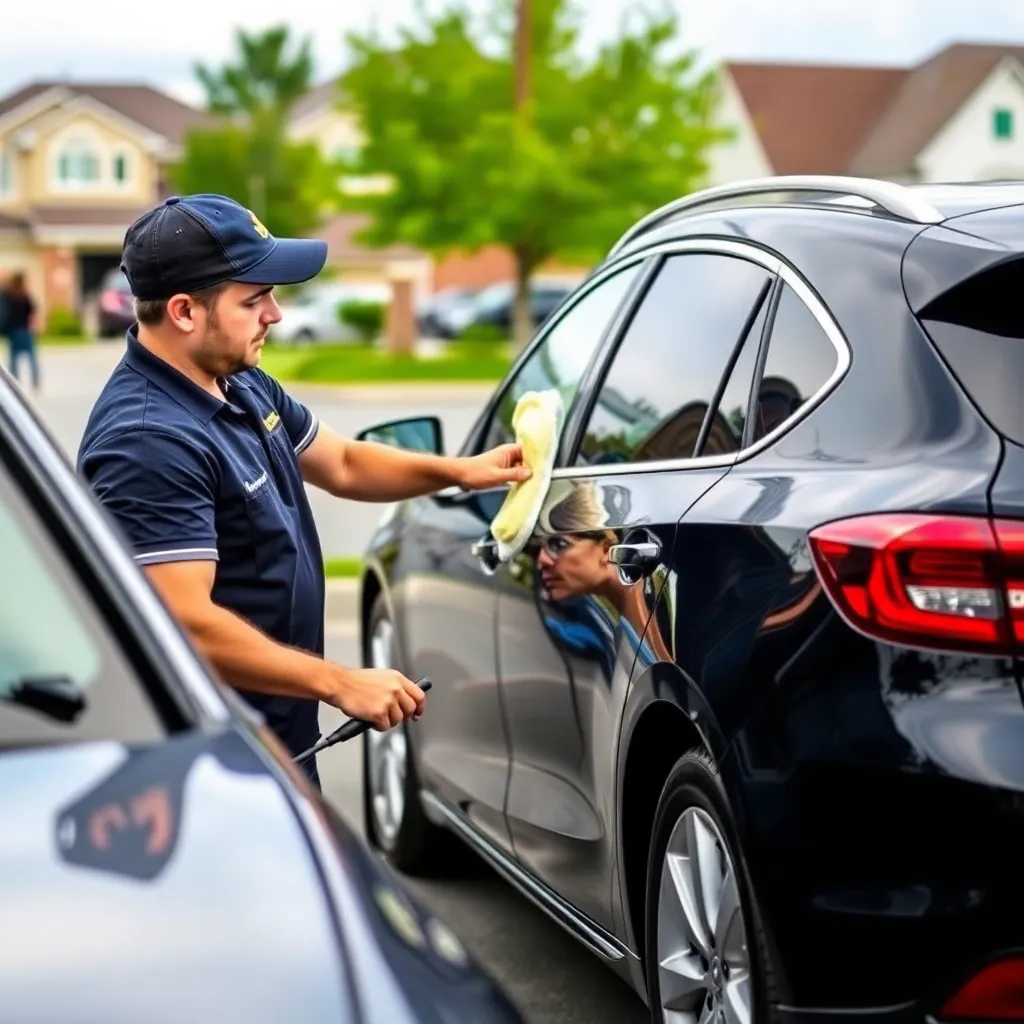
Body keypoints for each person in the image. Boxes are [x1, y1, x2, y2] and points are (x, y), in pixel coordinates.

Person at [76, 193, 531, 788]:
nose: (275, 314)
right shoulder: (148, 441)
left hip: (275, 746)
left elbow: (342, 462)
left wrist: (462, 471)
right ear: (184, 311)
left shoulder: (238, 381)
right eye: (253, 299)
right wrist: (340, 682)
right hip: (212, 770)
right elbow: (183, 620)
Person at [1, 272, 40, 393]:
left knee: (14, 359)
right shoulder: (24, 296)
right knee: (32, 358)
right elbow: (32, 311)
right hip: (24, 330)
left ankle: (15, 382)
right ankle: (35, 382)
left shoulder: (9, 296)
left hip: (13, 331)